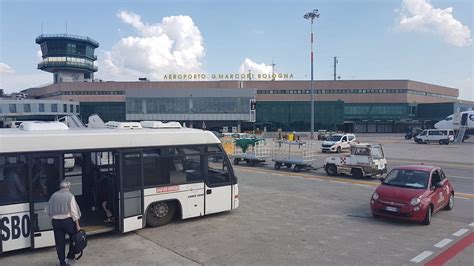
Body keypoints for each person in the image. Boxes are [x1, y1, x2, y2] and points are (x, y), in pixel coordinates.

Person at [46, 180, 81, 266]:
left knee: (59, 243)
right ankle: (70, 257)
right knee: (74, 238)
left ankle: (62, 262)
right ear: (68, 187)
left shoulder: (53, 195)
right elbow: (74, 212)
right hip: (67, 221)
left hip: (56, 222)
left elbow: (47, 210)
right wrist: (77, 225)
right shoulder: (70, 196)